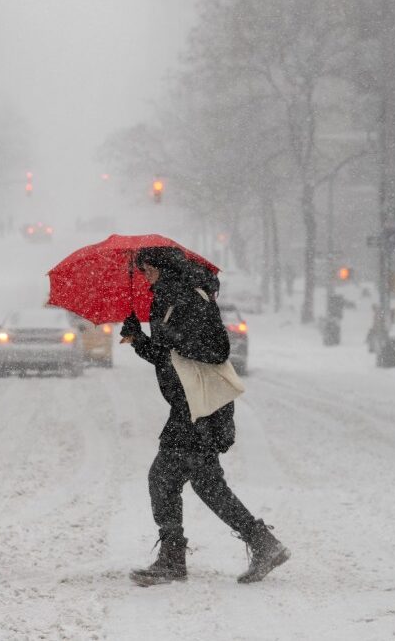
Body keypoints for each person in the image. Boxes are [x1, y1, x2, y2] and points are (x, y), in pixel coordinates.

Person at [121, 246, 289, 587]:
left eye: (146, 269)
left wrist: (172, 338)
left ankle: (173, 558)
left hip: (200, 408)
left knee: (164, 479)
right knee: (206, 483)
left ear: (159, 267)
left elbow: (217, 350)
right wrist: (138, 339)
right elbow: (169, 359)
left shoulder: (188, 297)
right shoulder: (167, 297)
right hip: (191, 405)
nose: (144, 276)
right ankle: (261, 543)